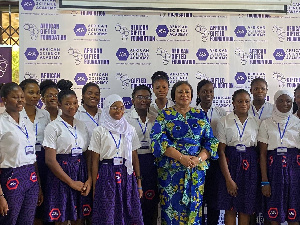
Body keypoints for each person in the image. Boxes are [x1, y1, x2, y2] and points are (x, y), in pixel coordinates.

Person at [151, 81, 219, 224]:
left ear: (192, 96)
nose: (184, 95)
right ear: (174, 95)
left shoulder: (200, 114)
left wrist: (198, 159)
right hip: (171, 172)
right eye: (180, 92)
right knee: (171, 211)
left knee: (194, 211)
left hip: (195, 171)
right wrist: (181, 157)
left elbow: (211, 142)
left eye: (187, 92)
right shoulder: (165, 115)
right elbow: (158, 141)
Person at [42, 79, 92, 224]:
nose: (72, 107)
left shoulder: (82, 125)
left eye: (75, 103)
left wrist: (89, 179)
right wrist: (71, 182)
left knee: (79, 218)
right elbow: (50, 160)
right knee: (61, 218)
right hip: (61, 174)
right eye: (67, 104)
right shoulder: (53, 127)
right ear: (59, 105)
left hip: (81, 172)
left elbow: (88, 154)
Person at [89, 94, 143, 225]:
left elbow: (134, 156)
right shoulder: (99, 130)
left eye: (121, 107)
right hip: (107, 173)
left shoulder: (130, 129)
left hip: (126, 173)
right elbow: (94, 160)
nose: (118, 111)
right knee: (108, 212)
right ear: (107, 108)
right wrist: (95, 186)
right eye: (114, 107)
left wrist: (139, 184)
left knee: (128, 211)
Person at [214, 89, 260, 225]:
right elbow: (221, 151)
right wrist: (228, 179)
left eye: (247, 101)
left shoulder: (256, 122)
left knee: (245, 208)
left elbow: (259, 149)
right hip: (230, 165)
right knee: (230, 208)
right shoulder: (224, 121)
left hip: (250, 168)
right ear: (233, 103)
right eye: (240, 101)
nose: (243, 104)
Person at [0, 82, 41, 225]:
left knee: (27, 220)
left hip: (31, 177)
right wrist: (0, 195)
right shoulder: (1, 123)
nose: (20, 100)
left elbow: (32, 155)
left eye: (22, 97)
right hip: (11, 177)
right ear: (4, 100)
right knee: (9, 219)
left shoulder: (26, 122)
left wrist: (38, 184)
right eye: (15, 97)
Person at [258, 90, 300, 225]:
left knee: (295, 214)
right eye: (280, 101)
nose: (285, 104)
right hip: (274, 171)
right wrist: (265, 181)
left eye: (288, 101)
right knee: (273, 215)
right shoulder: (266, 124)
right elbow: (263, 154)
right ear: (275, 103)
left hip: (295, 170)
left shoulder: (297, 123)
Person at [125, 85, 159, 225]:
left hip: (152, 162)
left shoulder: (155, 117)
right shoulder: (126, 119)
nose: (143, 100)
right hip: (133, 161)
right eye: (140, 97)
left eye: (146, 97)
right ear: (133, 100)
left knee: (151, 202)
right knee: (134, 201)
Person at [19, 79, 51, 224]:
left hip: (44, 159)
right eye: (30, 92)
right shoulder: (15, 115)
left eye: (37, 93)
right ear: (21, 93)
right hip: (24, 160)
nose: (35, 96)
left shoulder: (45, 115)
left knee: (44, 198)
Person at [195, 79, 227, 225]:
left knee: (214, 198)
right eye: (204, 91)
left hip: (215, 160)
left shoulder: (221, 112)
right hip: (197, 160)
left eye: (210, 91)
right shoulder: (192, 111)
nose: (208, 94)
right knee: (199, 198)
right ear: (198, 93)